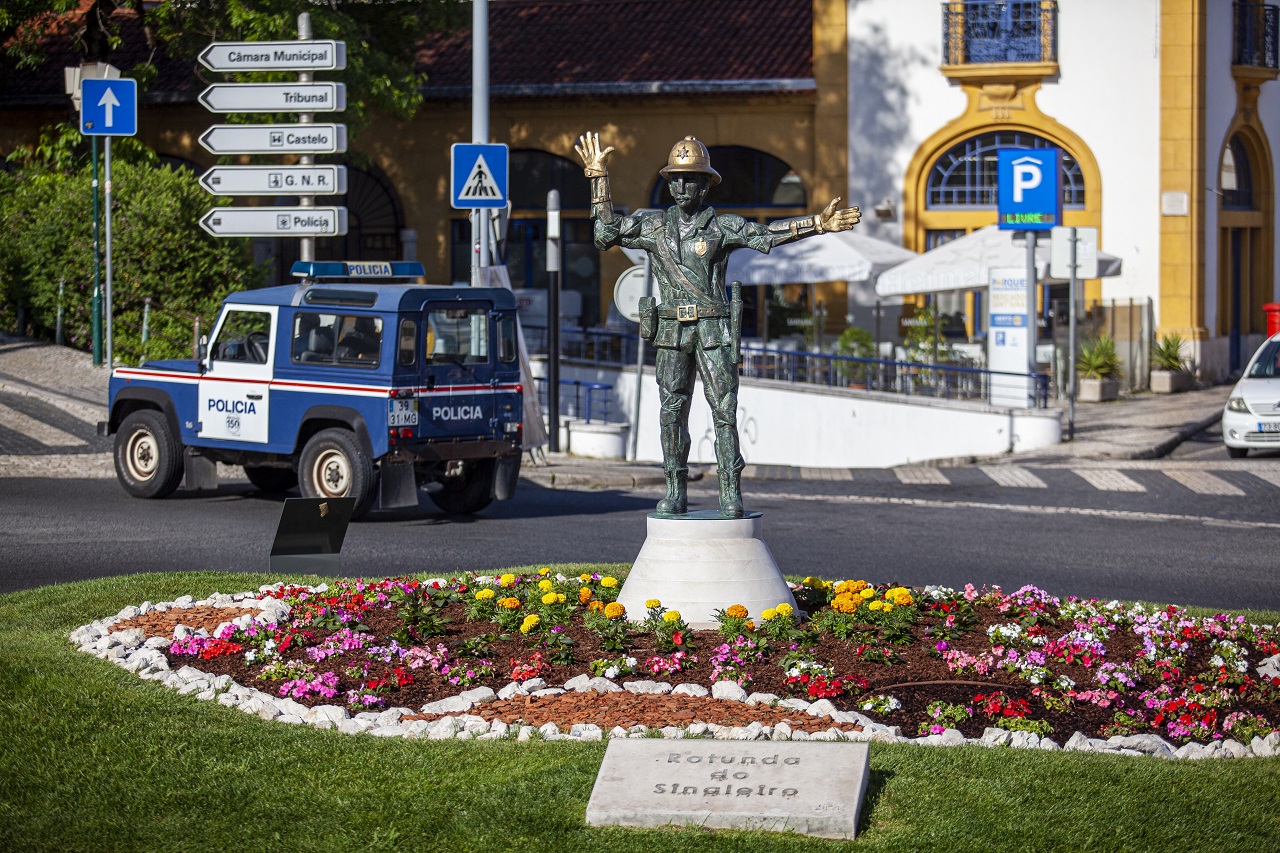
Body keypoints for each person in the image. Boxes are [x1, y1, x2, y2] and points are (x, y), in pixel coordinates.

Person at [576, 132, 861, 517]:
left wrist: (818, 224)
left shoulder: (720, 227)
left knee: (724, 411)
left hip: (713, 331)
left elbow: (766, 234)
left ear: (706, 184)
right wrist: (599, 179)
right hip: (672, 332)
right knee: (671, 411)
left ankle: (730, 490)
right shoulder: (653, 226)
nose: (680, 187)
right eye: (675, 179)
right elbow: (603, 235)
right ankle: (675, 489)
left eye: (689, 179)